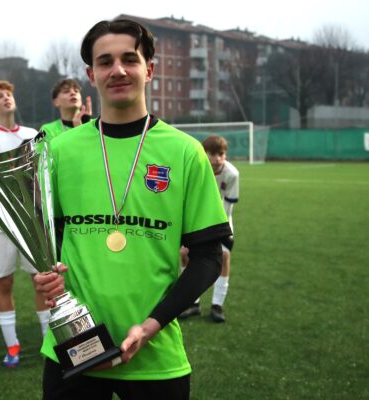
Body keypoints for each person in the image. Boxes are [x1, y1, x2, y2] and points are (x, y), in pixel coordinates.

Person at [33, 19, 232, 399]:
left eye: (130, 59)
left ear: (150, 68)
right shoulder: (59, 151)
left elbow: (208, 255)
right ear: (92, 74)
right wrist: (46, 273)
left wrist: (151, 325)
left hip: (156, 354)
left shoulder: (184, 151)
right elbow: (49, 242)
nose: (118, 70)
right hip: (72, 348)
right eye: (105, 62)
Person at [0, 80, 50, 368]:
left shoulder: (32, 134)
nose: (6, 99)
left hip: (32, 222)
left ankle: (46, 342)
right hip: (0, 223)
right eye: (0, 96)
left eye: (9, 95)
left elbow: (44, 172)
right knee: (4, 283)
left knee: (40, 282)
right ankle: (12, 345)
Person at [179, 135, 239, 323]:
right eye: (212, 153)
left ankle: (217, 305)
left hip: (220, 223)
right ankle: (192, 303)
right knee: (184, 254)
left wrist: (221, 233)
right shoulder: (194, 169)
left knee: (225, 257)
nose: (217, 158)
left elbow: (228, 208)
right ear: (204, 153)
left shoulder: (232, 174)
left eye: (221, 154)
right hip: (194, 221)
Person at [39, 78, 92, 144]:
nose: (73, 93)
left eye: (76, 91)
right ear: (56, 102)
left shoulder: (96, 124)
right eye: (66, 91)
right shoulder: (46, 130)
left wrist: (86, 124)